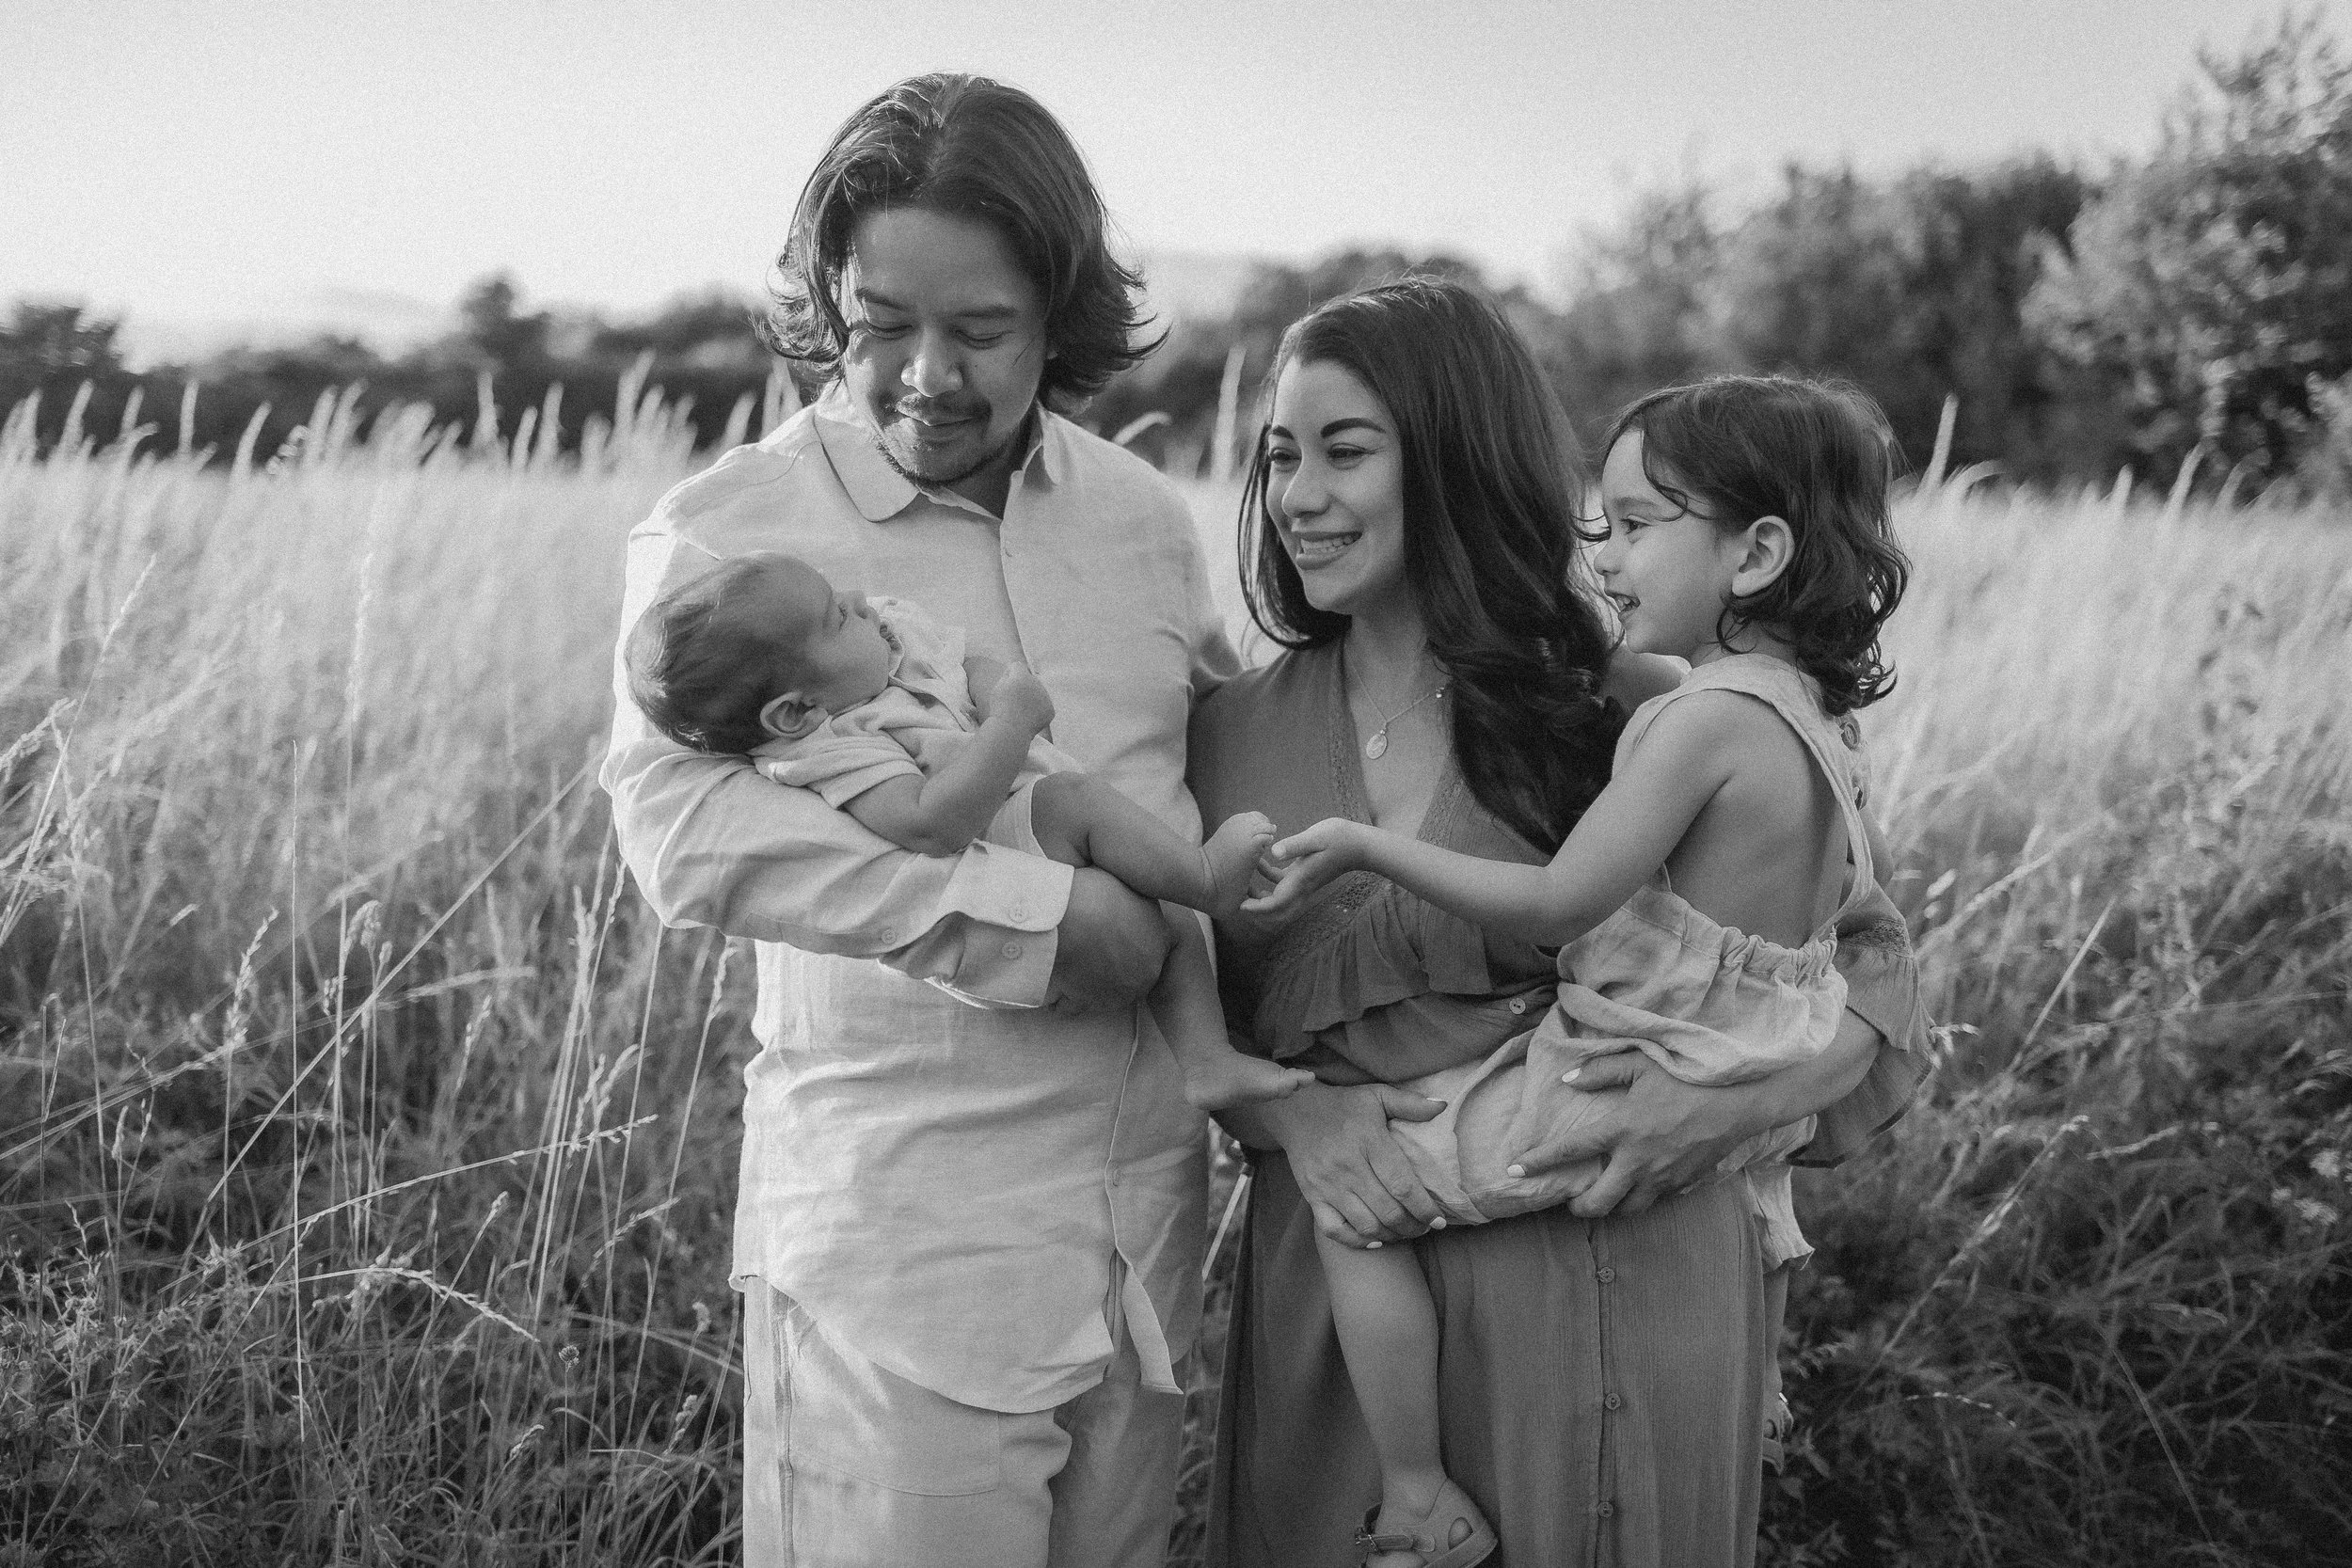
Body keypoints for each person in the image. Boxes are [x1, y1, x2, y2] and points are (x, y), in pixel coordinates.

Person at [1188, 280, 1932, 1568]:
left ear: (1457, 458)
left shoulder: (1633, 702)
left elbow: (1863, 956)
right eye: (1280, 455)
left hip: (1624, 1275)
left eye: (1347, 449)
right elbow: (1152, 984)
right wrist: (1291, 1112)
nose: (1301, 494)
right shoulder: (1217, 729)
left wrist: (1732, 1104)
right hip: (1361, 1307)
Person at [602, 74, 1237, 1566]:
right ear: (831, 299)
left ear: (1059, 312)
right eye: (884, 322)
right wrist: (1033, 924)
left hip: (1144, 1245)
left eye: (982, 330)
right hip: (902, 1252)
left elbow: (1224, 748)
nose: (926, 375)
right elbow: (678, 832)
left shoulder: (1142, 517)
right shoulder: (734, 527)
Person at [623, 548, 1308, 1110]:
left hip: (1024, 822)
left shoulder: (885, 651)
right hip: (998, 842)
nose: (860, 600)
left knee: (1168, 912)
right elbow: (933, 823)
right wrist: (1010, 719)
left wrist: (998, 686)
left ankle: (1208, 1059)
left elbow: (968, 661)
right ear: (794, 712)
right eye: (837, 618)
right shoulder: (835, 749)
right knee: (1076, 802)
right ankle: (1209, 877)